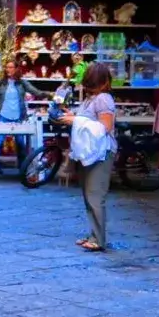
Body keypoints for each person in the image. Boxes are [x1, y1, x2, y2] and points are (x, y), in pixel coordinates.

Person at [62, 62, 117, 252]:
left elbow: (105, 127)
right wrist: (73, 117)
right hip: (91, 152)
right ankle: (94, 233)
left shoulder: (103, 99)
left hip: (101, 153)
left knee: (95, 195)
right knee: (88, 195)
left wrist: (75, 120)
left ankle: (98, 239)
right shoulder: (91, 99)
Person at [0, 60, 42, 175]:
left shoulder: (22, 83)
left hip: (18, 116)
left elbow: (35, 91)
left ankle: (22, 166)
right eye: (7, 67)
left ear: (16, 69)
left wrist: (50, 94)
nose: (8, 70)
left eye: (11, 67)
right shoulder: (0, 82)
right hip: (3, 115)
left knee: (20, 142)